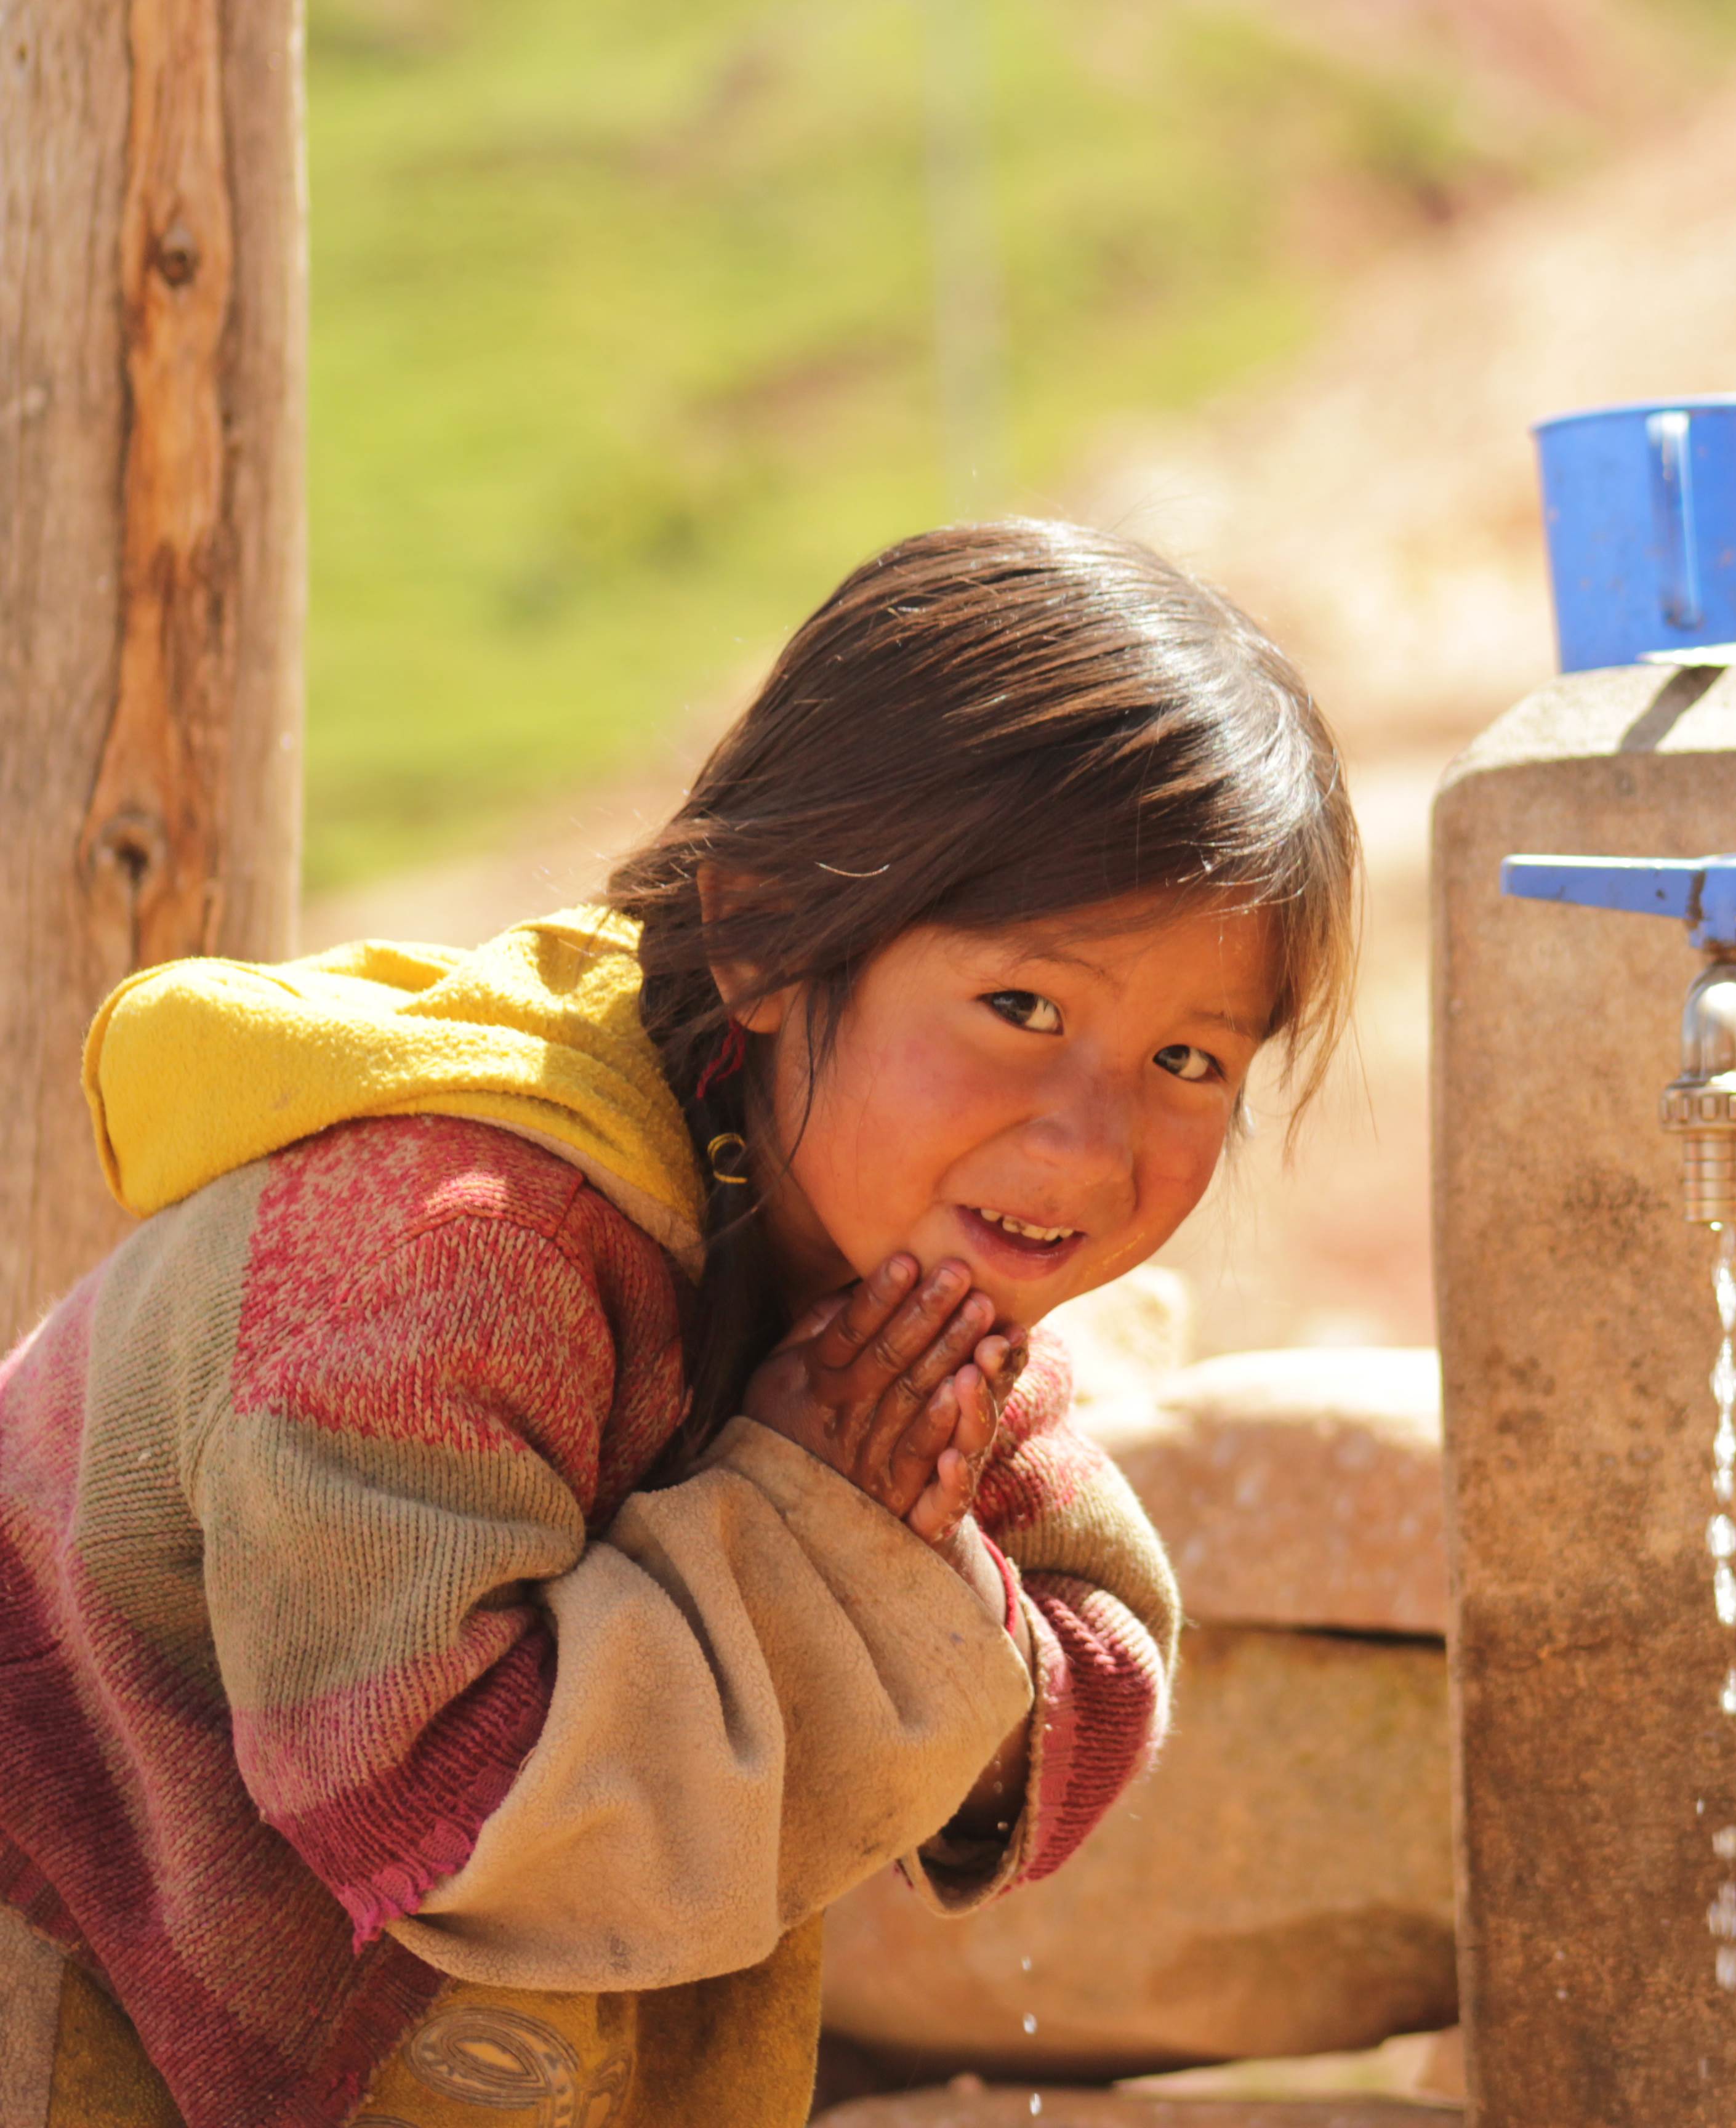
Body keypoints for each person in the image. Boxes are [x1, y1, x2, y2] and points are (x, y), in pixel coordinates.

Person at [0, 519, 1359, 2127]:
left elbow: (1084, 1660)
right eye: (1022, 1010)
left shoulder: (895, 1265)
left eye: (1189, 1064)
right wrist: (811, 1525)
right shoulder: (454, 1239)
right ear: (767, 933)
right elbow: (425, 1810)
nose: (1089, 1140)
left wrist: (900, 1564)